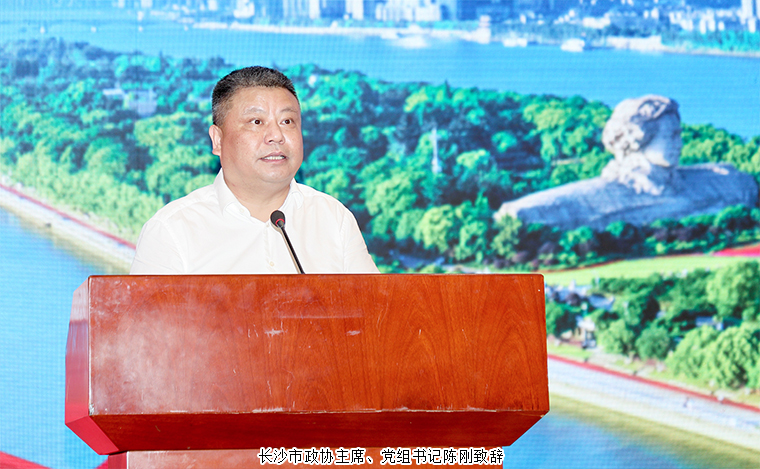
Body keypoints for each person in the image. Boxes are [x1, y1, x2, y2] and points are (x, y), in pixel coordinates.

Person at [130, 66, 378, 274]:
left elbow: (375, 312)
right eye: (256, 122)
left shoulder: (334, 219)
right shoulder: (172, 231)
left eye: (287, 121)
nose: (276, 135)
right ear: (218, 140)